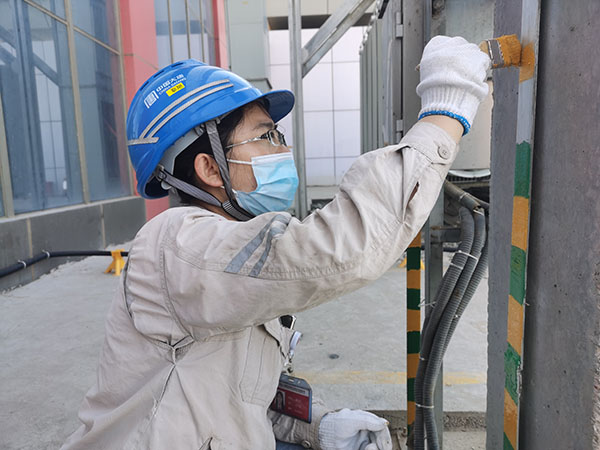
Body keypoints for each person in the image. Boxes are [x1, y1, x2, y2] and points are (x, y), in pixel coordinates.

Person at [61, 36, 490, 450]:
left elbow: (240, 393)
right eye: (265, 137)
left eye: (278, 136)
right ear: (210, 168)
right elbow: (340, 249)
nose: (282, 150)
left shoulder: (232, 251)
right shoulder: (177, 243)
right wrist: (444, 111)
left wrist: (317, 426)